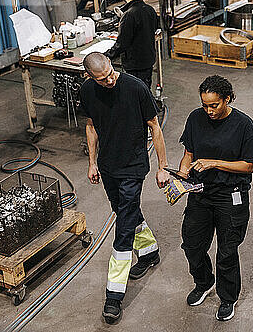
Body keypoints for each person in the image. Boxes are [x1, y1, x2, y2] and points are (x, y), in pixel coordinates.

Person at [79, 52, 170, 323]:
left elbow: (154, 126)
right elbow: (91, 127)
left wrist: (162, 166)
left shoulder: (135, 87)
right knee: (125, 212)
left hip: (133, 166)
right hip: (108, 166)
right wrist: (92, 163)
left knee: (122, 231)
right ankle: (150, 252)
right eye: (102, 79)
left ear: (111, 62)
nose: (110, 80)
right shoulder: (87, 91)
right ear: (90, 77)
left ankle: (114, 296)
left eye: (110, 73)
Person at [176, 75, 253, 321]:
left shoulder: (244, 125)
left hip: (230, 196)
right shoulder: (195, 118)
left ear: (227, 99)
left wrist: (215, 163)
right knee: (192, 245)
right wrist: (181, 177)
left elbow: (248, 166)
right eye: (205, 105)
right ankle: (204, 282)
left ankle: (227, 298)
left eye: (214, 105)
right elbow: (189, 153)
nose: (209, 110)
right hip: (200, 193)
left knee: (227, 251)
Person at [105, 0, 158, 89]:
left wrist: (107, 55)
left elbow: (122, 44)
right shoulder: (150, 9)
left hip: (135, 64)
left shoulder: (129, 15)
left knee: (134, 92)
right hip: (148, 60)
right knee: (145, 89)